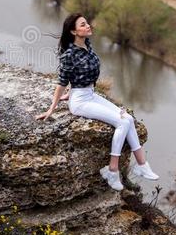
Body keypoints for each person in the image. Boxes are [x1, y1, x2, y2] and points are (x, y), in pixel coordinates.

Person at [36, 13, 159, 191]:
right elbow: (62, 82)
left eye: (87, 23)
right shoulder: (69, 54)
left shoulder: (87, 45)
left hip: (90, 94)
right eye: (83, 24)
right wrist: (52, 108)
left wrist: (71, 90)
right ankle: (112, 169)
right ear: (73, 31)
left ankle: (142, 166)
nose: (88, 26)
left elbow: (80, 75)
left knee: (129, 119)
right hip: (80, 101)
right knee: (122, 121)